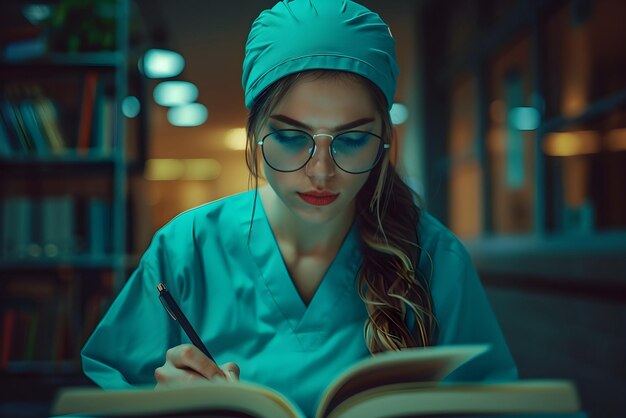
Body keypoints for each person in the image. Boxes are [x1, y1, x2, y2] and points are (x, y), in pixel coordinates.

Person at [82, 0, 518, 416]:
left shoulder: (435, 258)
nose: (322, 172)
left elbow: (497, 407)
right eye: (291, 137)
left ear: (384, 138)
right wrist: (159, 409)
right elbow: (99, 399)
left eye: (352, 139)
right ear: (254, 132)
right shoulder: (186, 248)